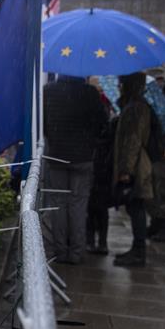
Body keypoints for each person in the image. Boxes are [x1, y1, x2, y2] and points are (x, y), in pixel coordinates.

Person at [43, 75, 108, 264]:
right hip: (83, 157)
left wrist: (55, 138)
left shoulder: (48, 91)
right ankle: (77, 253)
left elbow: (44, 124)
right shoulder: (90, 93)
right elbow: (102, 124)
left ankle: (60, 252)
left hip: (56, 155)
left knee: (59, 204)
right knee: (78, 205)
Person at [112, 72, 154, 266]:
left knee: (135, 206)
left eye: (122, 82)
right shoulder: (138, 105)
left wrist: (126, 170)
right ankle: (137, 250)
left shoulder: (135, 108)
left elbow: (133, 141)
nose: (119, 85)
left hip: (136, 165)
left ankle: (138, 252)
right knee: (135, 206)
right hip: (138, 163)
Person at [86, 77, 116, 254]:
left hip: (98, 164)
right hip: (99, 165)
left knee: (95, 206)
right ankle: (97, 241)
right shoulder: (103, 112)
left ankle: (97, 241)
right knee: (96, 207)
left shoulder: (99, 111)